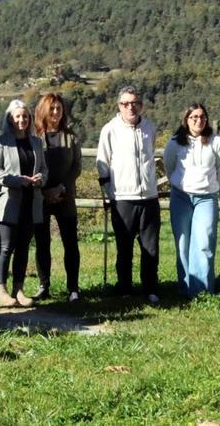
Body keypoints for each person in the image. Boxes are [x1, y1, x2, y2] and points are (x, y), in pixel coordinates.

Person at [96, 86, 161, 303]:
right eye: (125, 103)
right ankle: (124, 287)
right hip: (123, 197)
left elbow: (150, 154)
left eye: (134, 103)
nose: (130, 107)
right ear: (119, 106)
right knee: (124, 248)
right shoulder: (110, 130)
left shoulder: (150, 128)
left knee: (150, 247)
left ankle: (150, 288)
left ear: (141, 105)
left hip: (149, 197)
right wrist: (109, 193)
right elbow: (102, 162)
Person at [163, 103, 220, 298]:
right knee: (183, 243)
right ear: (186, 120)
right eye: (194, 117)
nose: (198, 120)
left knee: (204, 242)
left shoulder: (216, 142)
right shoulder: (175, 143)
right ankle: (185, 287)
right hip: (181, 197)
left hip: (206, 198)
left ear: (206, 120)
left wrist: (211, 186)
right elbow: (169, 166)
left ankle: (201, 291)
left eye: (202, 117)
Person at [0, 99, 49, 307]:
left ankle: (19, 289)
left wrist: (40, 179)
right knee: (6, 247)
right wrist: (17, 181)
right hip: (8, 203)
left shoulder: (36, 142)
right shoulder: (0, 142)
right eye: (17, 116)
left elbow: (44, 168)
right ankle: (1, 290)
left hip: (31, 202)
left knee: (23, 247)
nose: (22, 120)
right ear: (10, 119)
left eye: (25, 116)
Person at [32, 93, 83, 303]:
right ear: (43, 111)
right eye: (51, 108)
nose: (55, 112)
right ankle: (44, 286)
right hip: (40, 197)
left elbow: (76, 166)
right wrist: (44, 191)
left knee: (70, 243)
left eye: (59, 109)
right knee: (42, 243)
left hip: (65, 197)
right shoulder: (34, 137)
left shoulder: (71, 137)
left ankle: (73, 288)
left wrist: (61, 188)